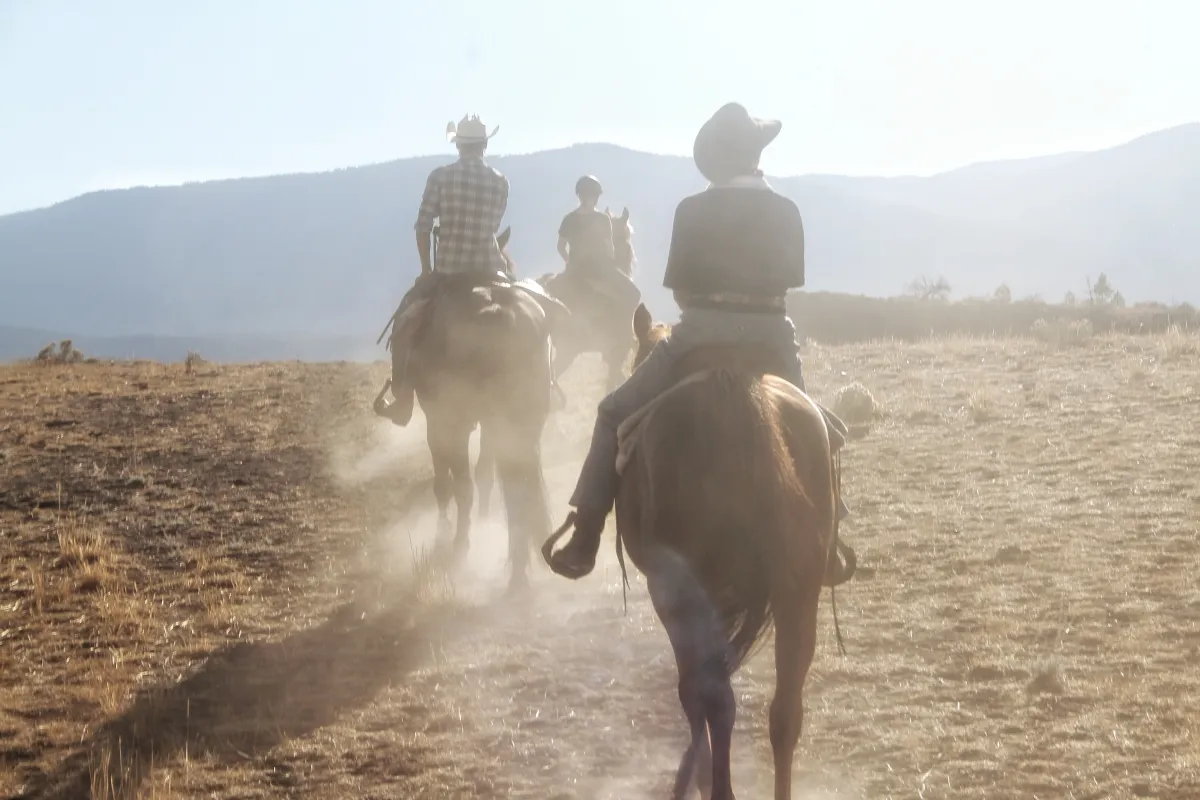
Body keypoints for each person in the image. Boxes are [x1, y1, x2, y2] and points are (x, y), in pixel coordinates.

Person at [545, 101, 853, 580]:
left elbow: (679, 290)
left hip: (700, 331)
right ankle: (829, 540)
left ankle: (585, 537)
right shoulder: (786, 209)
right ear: (756, 156)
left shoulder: (692, 209)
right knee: (816, 426)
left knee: (611, 414)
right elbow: (791, 279)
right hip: (772, 335)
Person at [376, 114, 512, 427]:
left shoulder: (440, 177)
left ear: (458, 145)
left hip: (450, 271)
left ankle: (402, 400)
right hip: (493, 270)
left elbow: (422, 226)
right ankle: (542, 385)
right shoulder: (500, 181)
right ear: (485, 144)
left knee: (406, 324)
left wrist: (426, 269)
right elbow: (493, 226)